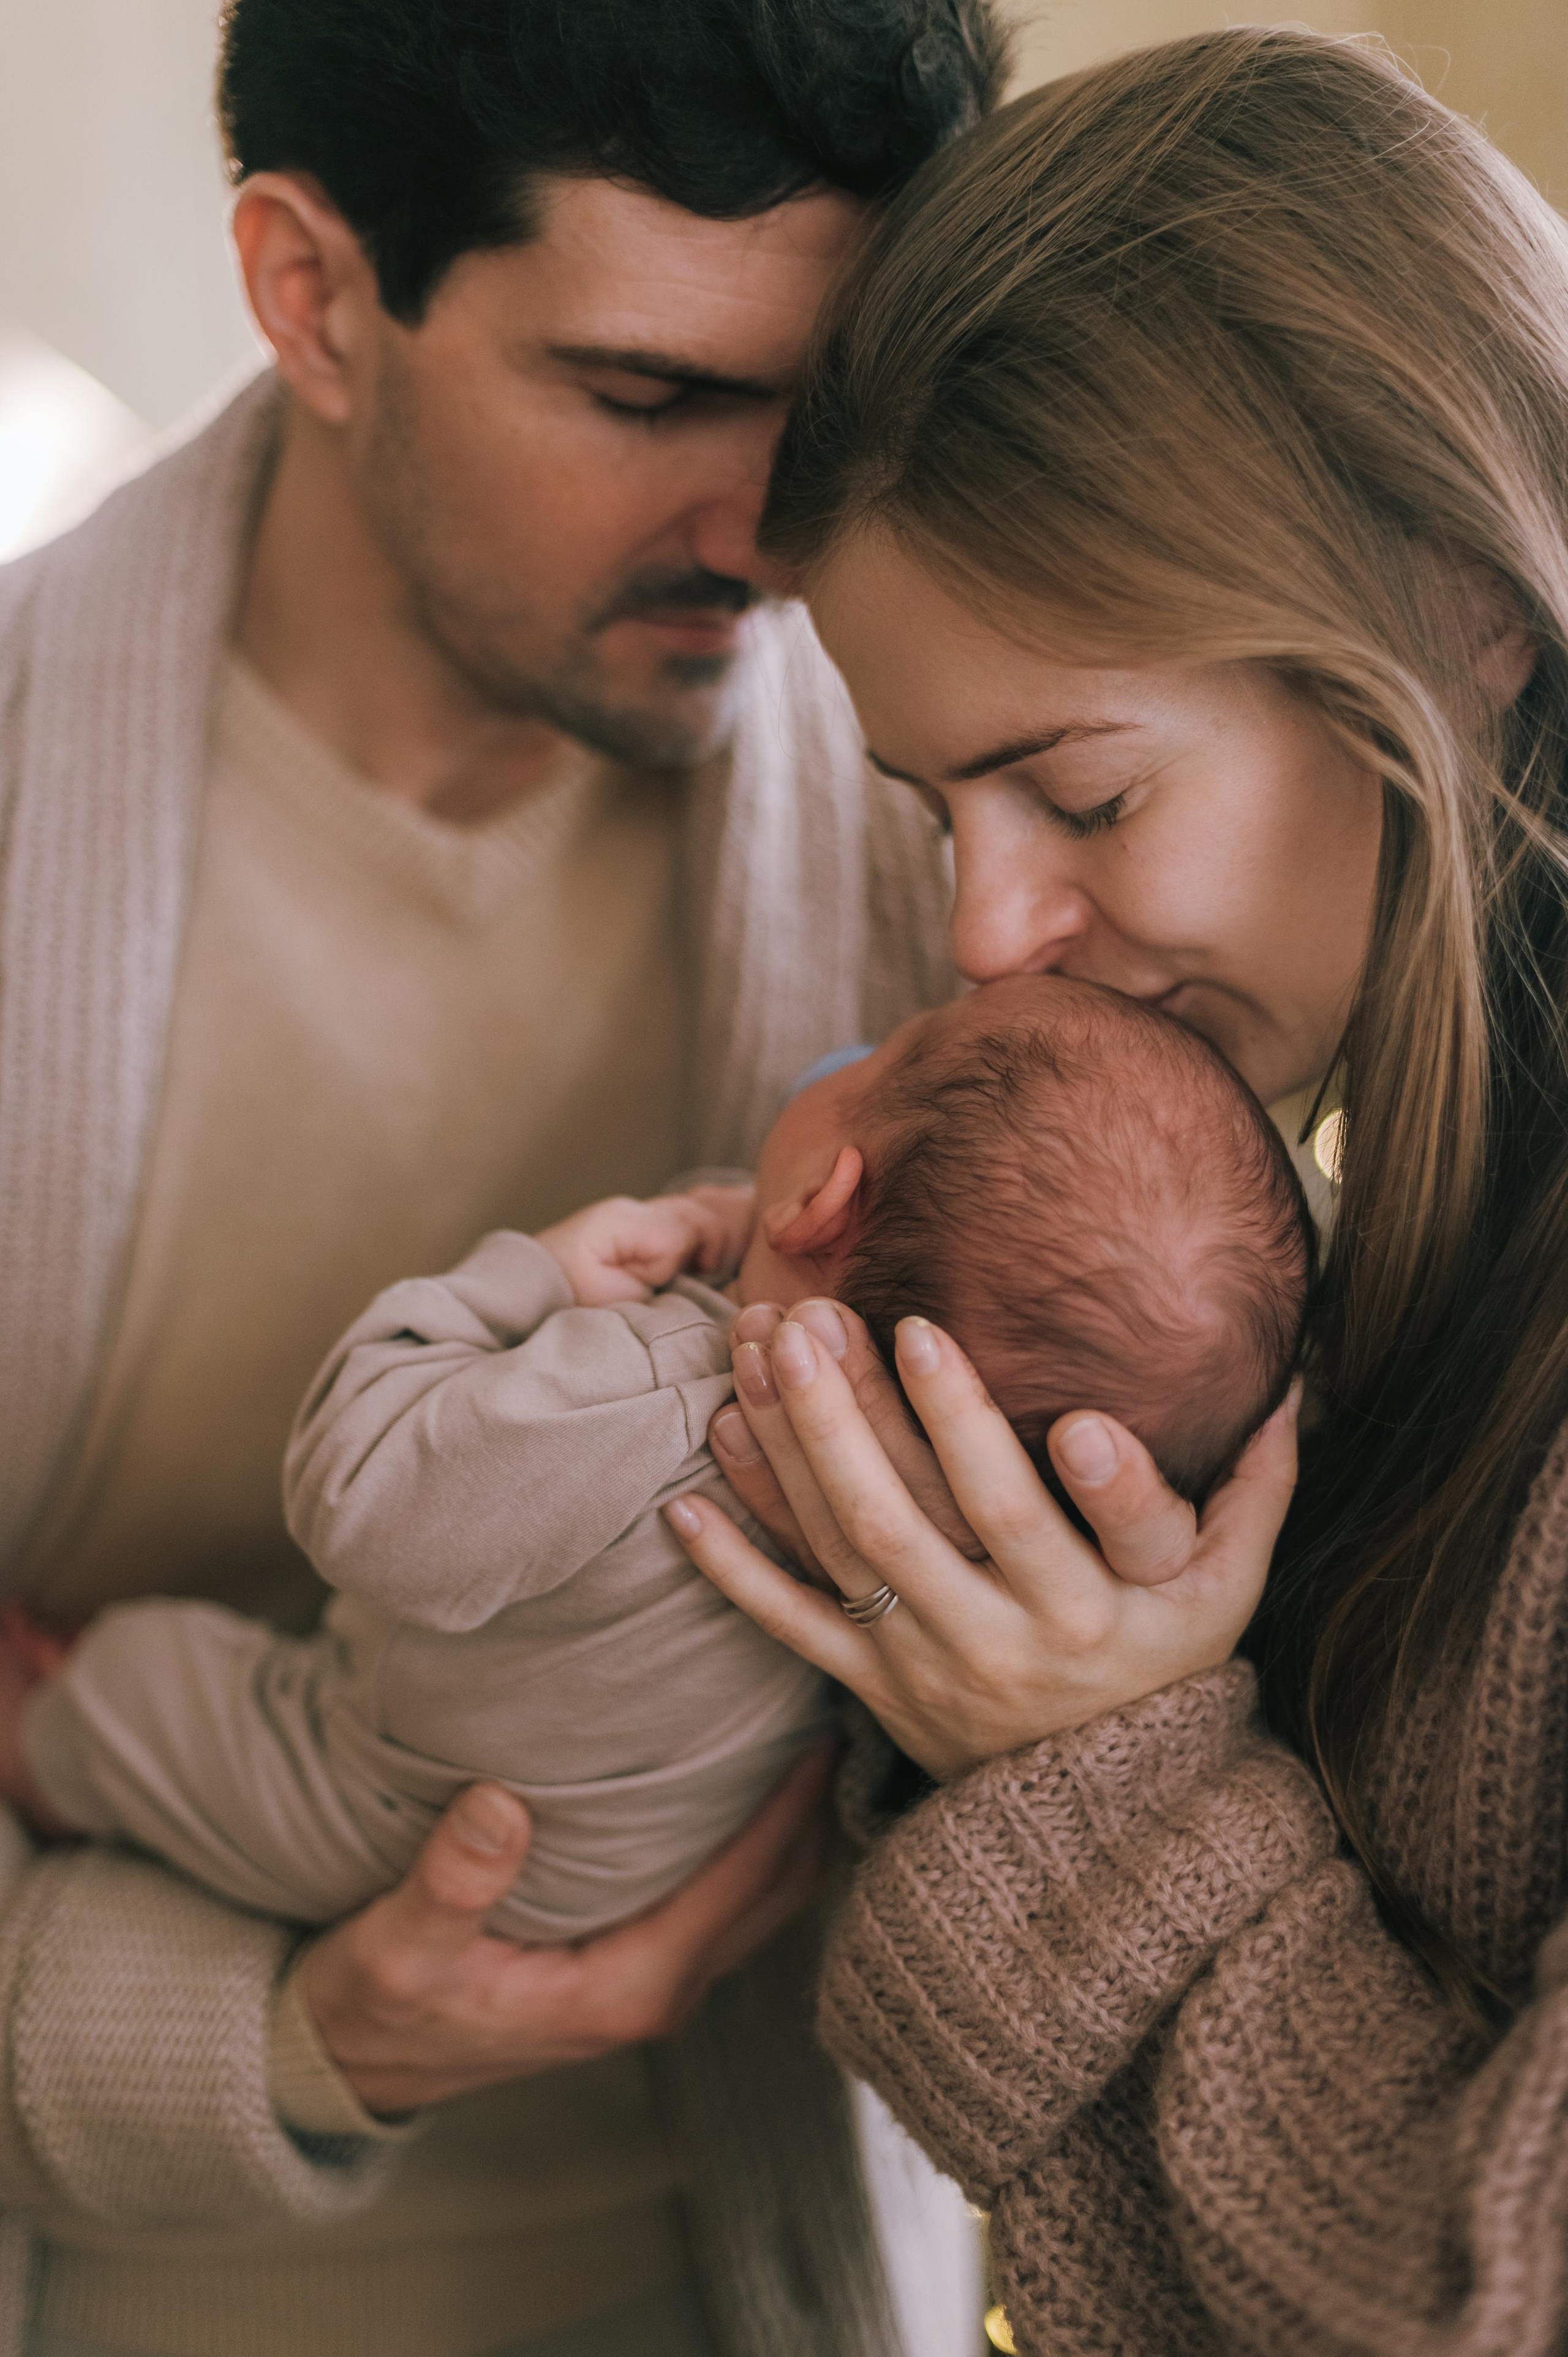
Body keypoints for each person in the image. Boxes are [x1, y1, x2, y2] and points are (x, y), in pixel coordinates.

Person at [0, 3, 1011, 2353]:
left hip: (778, 2272)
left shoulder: (952, 856)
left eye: (824, 393)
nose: (773, 523)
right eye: (646, 396)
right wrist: (297, 2035)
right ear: (312, 294)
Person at [665, 28, 1568, 2355]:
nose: (981, 931)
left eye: (1076, 786)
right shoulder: (1338, 1263)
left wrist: (1097, 1775)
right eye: (930, 804)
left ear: (1463, 614)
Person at [0, 977, 1308, 1943]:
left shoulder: (633, 1401)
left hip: (411, 1811)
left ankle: (41, 1738)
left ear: (823, 1201)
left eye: (886, 1053)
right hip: (639, 1860)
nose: (855, 1046)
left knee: (164, 1697)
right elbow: (795, 1277)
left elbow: (356, 1491)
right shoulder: (965, 1533)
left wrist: (530, 1277)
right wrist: (757, 1238)